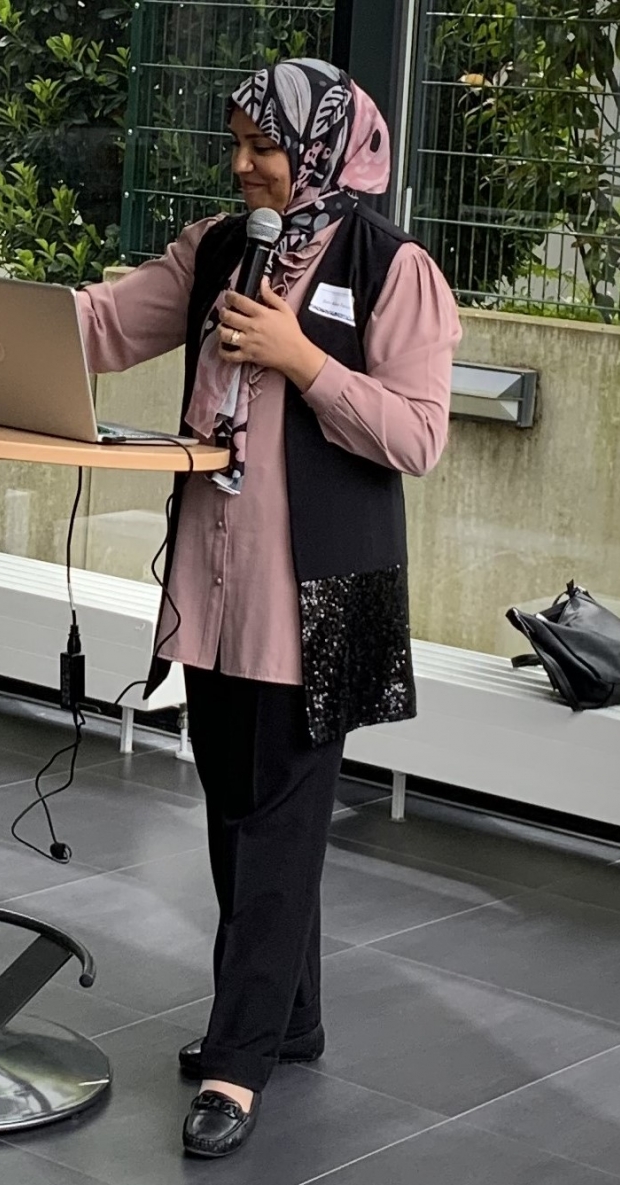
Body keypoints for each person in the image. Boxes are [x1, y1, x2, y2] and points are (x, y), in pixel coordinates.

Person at [75, 57, 462, 1158]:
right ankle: (292, 1017)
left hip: (321, 600)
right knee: (235, 809)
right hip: (214, 588)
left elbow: (419, 436)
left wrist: (302, 360)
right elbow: (103, 325)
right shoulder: (215, 250)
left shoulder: (394, 269)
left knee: (278, 832)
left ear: (325, 150)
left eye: (265, 147)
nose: (242, 165)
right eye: (237, 143)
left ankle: (237, 1065)